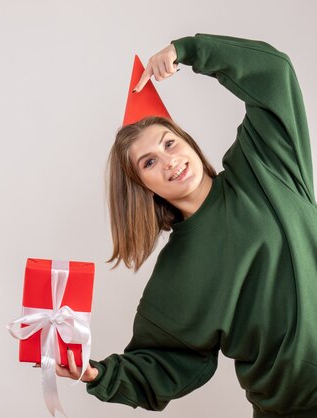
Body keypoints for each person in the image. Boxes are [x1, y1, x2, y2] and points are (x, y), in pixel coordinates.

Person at [56, 34, 317, 417]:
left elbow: (274, 73)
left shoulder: (265, 166)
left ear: (187, 142)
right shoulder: (178, 272)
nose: (167, 161)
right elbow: (163, 362)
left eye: (168, 143)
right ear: (142, 186)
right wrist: (97, 374)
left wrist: (189, 51)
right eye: (148, 163)